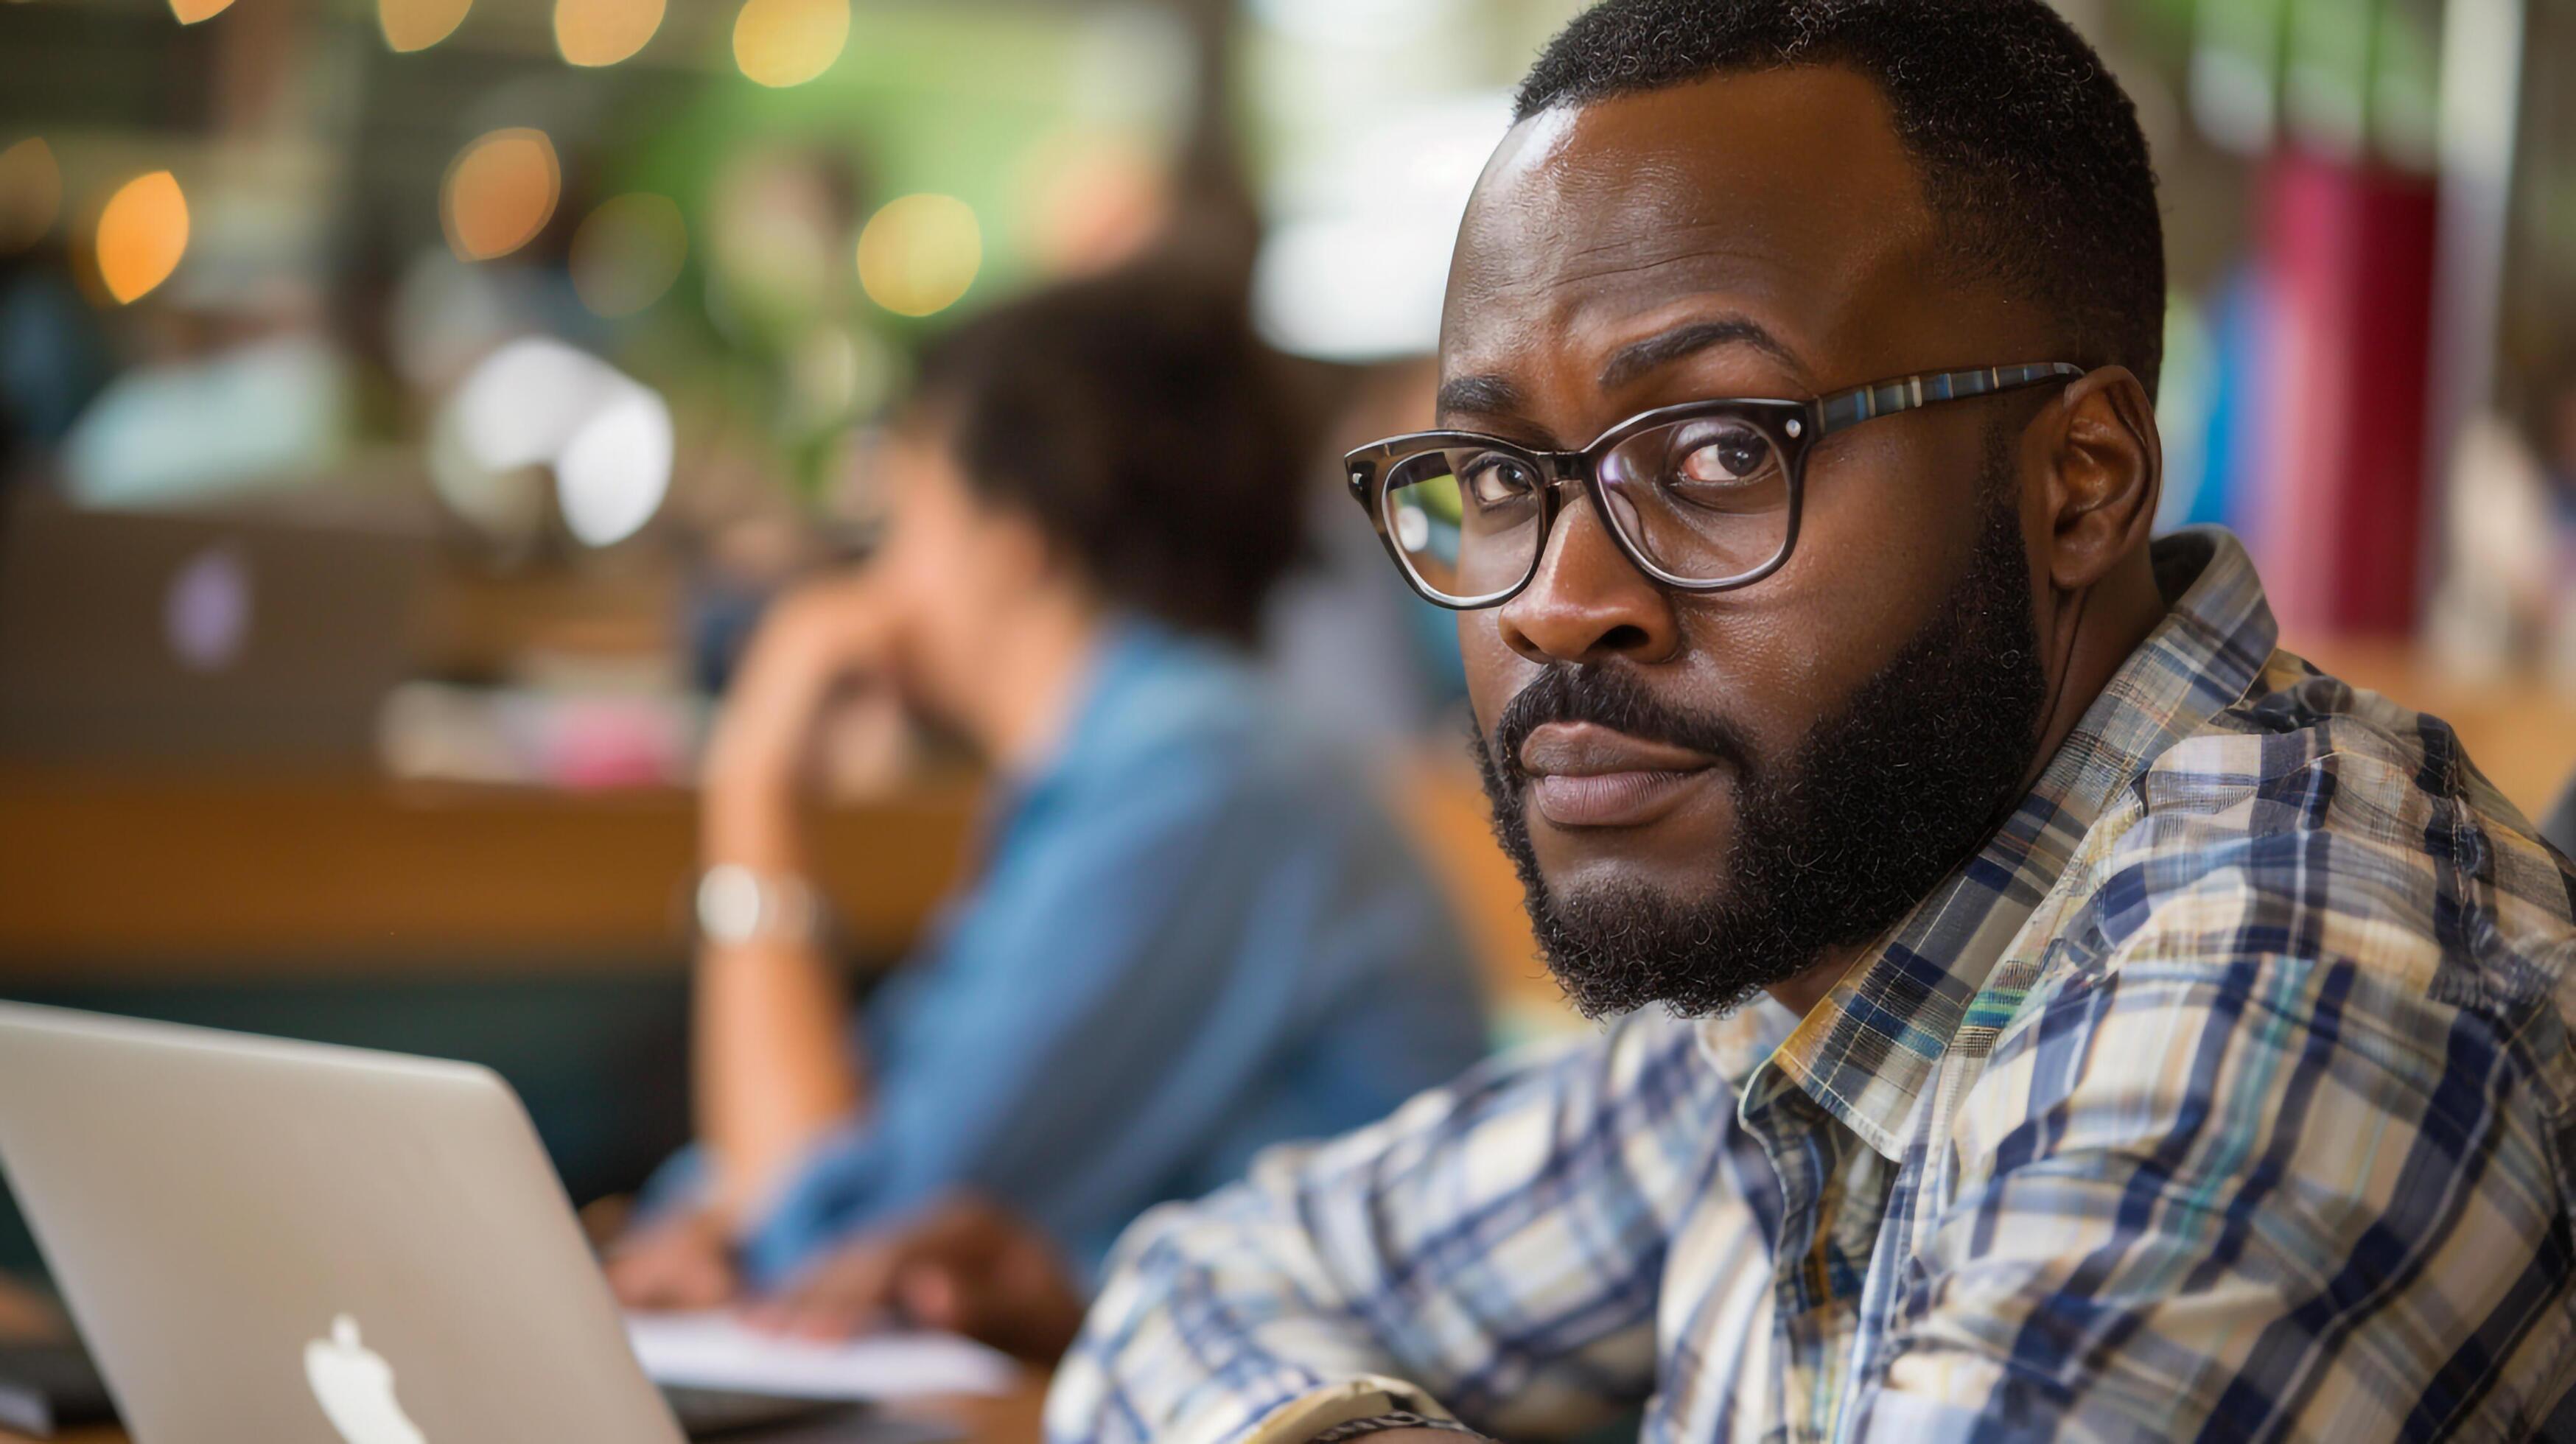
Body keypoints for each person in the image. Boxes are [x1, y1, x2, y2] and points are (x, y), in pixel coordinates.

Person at [791, 2, 2576, 1437]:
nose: (1560, 598)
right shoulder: (1836, 936)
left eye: (1720, 451)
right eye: (1494, 474)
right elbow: (1195, 1284)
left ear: (2080, 481)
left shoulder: (2283, 1000)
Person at [604, 267, 1488, 1315]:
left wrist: (751, 785)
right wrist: (705, 1219)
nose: (880, 584)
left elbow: (840, 1233)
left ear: (1015, 536)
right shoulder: (1153, 755)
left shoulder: (1201, 775)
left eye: (907, 523)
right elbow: (864, 1138)